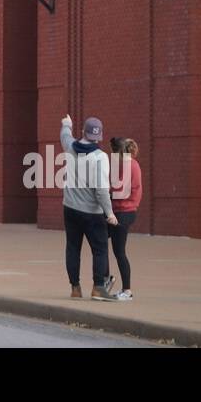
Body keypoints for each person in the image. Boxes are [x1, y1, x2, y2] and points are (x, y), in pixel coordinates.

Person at [59, 114, 118, 301]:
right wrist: (109, 212)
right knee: (100, 249)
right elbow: (101, 190)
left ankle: (75, 288)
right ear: (99, 137)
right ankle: (98, 288)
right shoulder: (100, 157)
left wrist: (67, 124)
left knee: (73, 248)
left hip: (70, 208)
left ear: (83, 132)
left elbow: (65, 135)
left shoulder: (70, 147)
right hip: (92, 213)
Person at [107, 137, 143, 301]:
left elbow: (120, 189)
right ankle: (107, 277)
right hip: (121, 210)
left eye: (113, 151)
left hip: (124, 211)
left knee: (119, 251)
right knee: (99, 239)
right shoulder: (127, 164)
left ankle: (127, 290)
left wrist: (104, 191)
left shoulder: (129, 165)